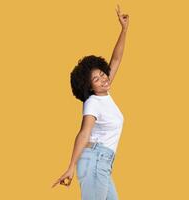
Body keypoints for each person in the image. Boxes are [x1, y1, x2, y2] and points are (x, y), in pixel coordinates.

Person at [51, 4, 129, 200]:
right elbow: (84, 132)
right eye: (96, 79)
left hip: (102, 162)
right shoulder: (93, 102)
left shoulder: (104, 95)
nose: (103, 79)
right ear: (89, 87)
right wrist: (70, 167)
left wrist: (124, 29)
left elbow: (117, 59)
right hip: (95, 160)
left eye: (103, 74)